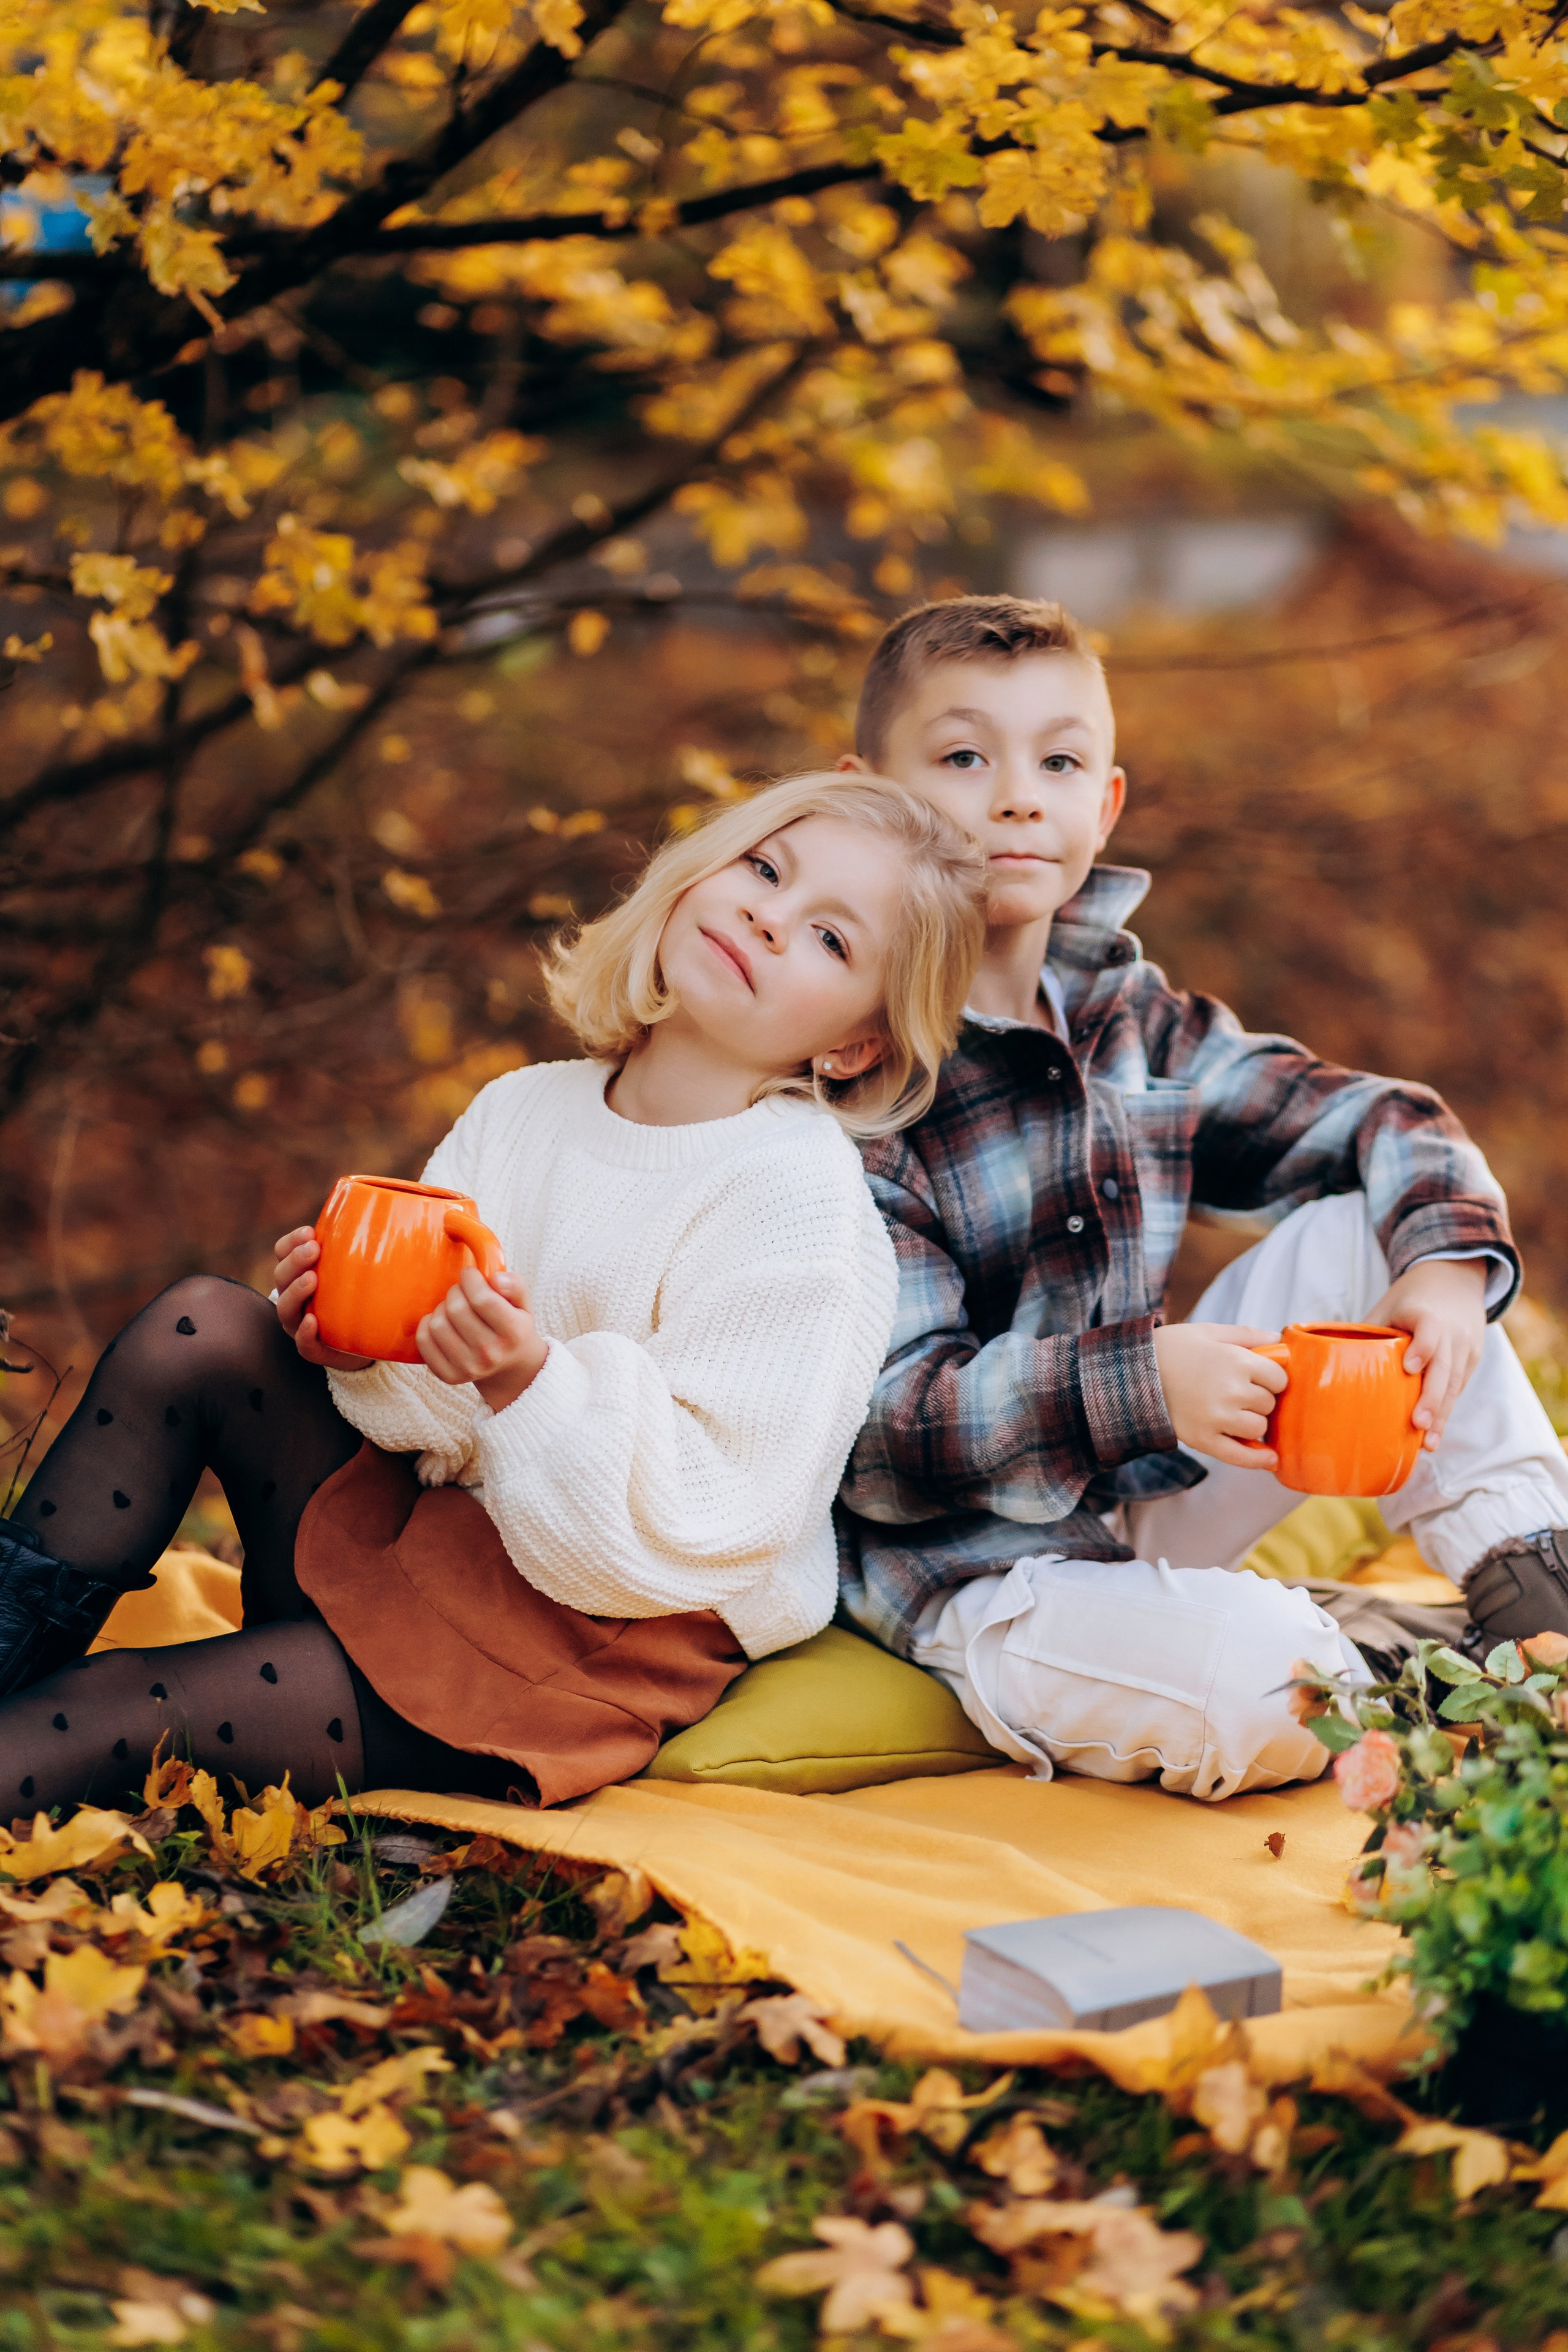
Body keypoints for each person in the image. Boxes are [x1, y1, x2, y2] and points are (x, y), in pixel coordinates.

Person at [0, 771, 986, 1817]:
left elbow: (712, 1525)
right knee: (200, 1325)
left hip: (578, 1642)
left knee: (119, 1705)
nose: (768, 917)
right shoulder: (527, 1109)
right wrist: (357, 1347)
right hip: (422, 1540)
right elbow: (435, 1419)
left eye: (831, 940)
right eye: (764, 868)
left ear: (853, 1044)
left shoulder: (801, 1206)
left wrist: (530, 1384)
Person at [834, 595, 1568, 1801]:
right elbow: (880, 1436)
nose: (1017, 796)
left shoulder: (1130, 1023)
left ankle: (1530, 1595)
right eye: (964, 758)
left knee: (1364, 1225)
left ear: (1102, 802)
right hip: (983, 1583)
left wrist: (1438, 1273)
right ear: (865, 796)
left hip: (1138, 1500)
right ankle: (1374, 1668)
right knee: (1262, 1686)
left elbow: (1381, 1119)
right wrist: (1144, 1380)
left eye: (1056, 761)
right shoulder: (853, 1073)